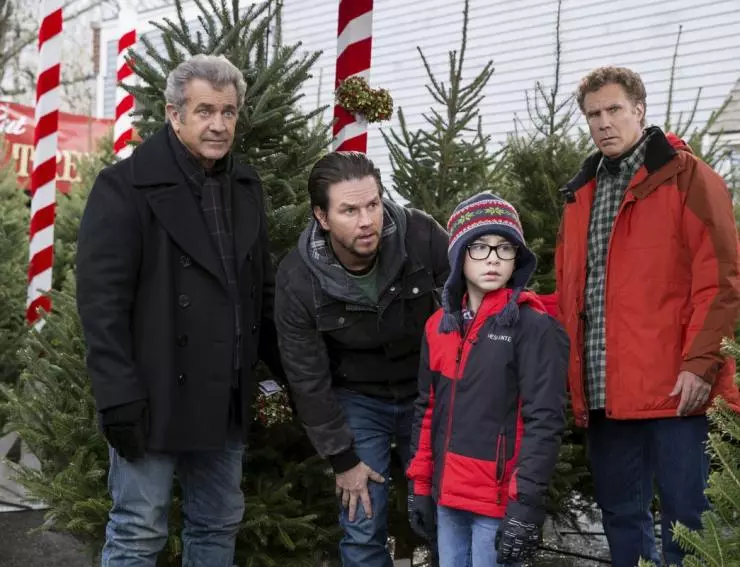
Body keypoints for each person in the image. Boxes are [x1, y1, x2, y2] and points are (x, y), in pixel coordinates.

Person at [76, 54, 283, 566]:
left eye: (228, 112)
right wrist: (117, 399)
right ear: (174, 114)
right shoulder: (124, 186)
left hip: (225, 396)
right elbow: (102, 308)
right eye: (205, 111)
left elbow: (263, 295)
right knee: (138, 531)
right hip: (153, 395)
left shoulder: (245, 188)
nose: (219, 125)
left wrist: (294, 374)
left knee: (217, 525)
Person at [555, 66, 740, 566]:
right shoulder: (580, 195)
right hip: (603, 394)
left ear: (639, 109)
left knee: (690, 525)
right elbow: (573, 295)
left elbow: (720, 281)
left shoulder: (689, 178)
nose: (604, 122)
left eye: (614, 109)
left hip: (676, 390)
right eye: (593, 114)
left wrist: (700, 364)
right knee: (620, 520)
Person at [274, 152, 449, 566]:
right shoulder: (298, 279)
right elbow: (307, 378)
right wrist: (343, 459)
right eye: (349, 211)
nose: (367, 220)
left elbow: (469, 306)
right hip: (357, 398)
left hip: (429, 390)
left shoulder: (421, 235)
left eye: (373, 204)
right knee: (362, 520)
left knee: (446, 512)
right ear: (321, 216)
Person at [406, 192, 569, 566]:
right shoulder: (439, 327)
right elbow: (427, 411)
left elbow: (544, 420)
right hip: (448, 498)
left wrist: (525, 505)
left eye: (504, 247)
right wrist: (420, 485)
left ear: (517, 258)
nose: (493, 258)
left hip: (497, 504)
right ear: (458, 256)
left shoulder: (533, 327)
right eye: (479, 246)